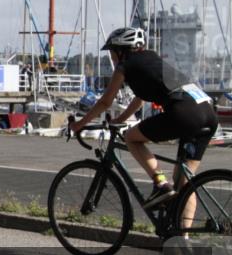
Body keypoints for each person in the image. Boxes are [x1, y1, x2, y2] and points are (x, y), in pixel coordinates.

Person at [70, 26, 218, 209]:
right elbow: (140, 99)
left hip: (185, 113)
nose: (112, 58)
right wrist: (120, 119)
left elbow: (105, 102)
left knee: (131, 137)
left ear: (121, 50)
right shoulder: (152, 60)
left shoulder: (126, 65)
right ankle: (182, 236)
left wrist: (79, 124)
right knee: (184, 184)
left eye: (112, 53)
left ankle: (160, 184)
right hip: (207, 112)